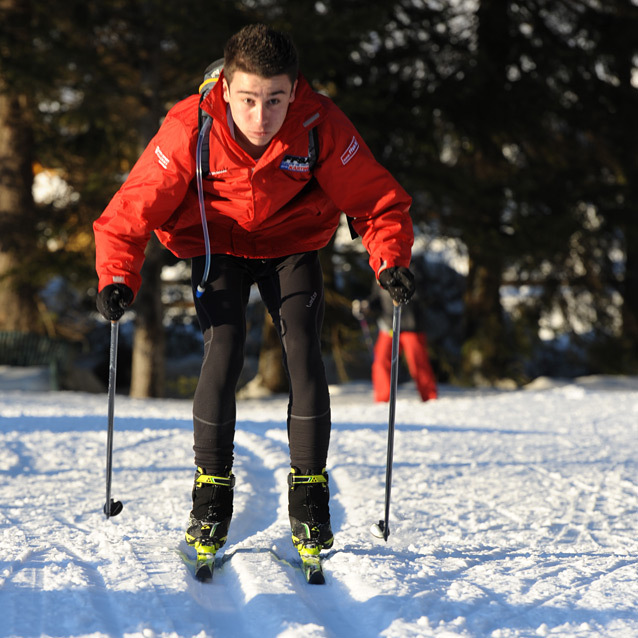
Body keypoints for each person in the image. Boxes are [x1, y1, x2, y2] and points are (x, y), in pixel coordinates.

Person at [93, 24, 415, 560]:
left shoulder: (320, 124)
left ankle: (310, 493)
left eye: (275, 100)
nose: (261, 117)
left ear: (295, 89)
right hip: (216, 243)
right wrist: (117, 277)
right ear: (226, 89)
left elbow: (377, 201)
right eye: (247, 100)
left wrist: (390, 262)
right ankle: (211, 491)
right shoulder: (190, 126)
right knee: (223, 347)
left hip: (291, 244)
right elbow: (131, 209)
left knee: (303, 353)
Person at [365, 260, 438, 403]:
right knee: (381, 361)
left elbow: (424, 294)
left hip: (411, 326)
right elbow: (376, 298)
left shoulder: (414, 267)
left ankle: (429, 398)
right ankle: (383, 400)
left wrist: (405, 289)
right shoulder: (381, 270)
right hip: (388, 326)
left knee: (418, 363)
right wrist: (367, 305)